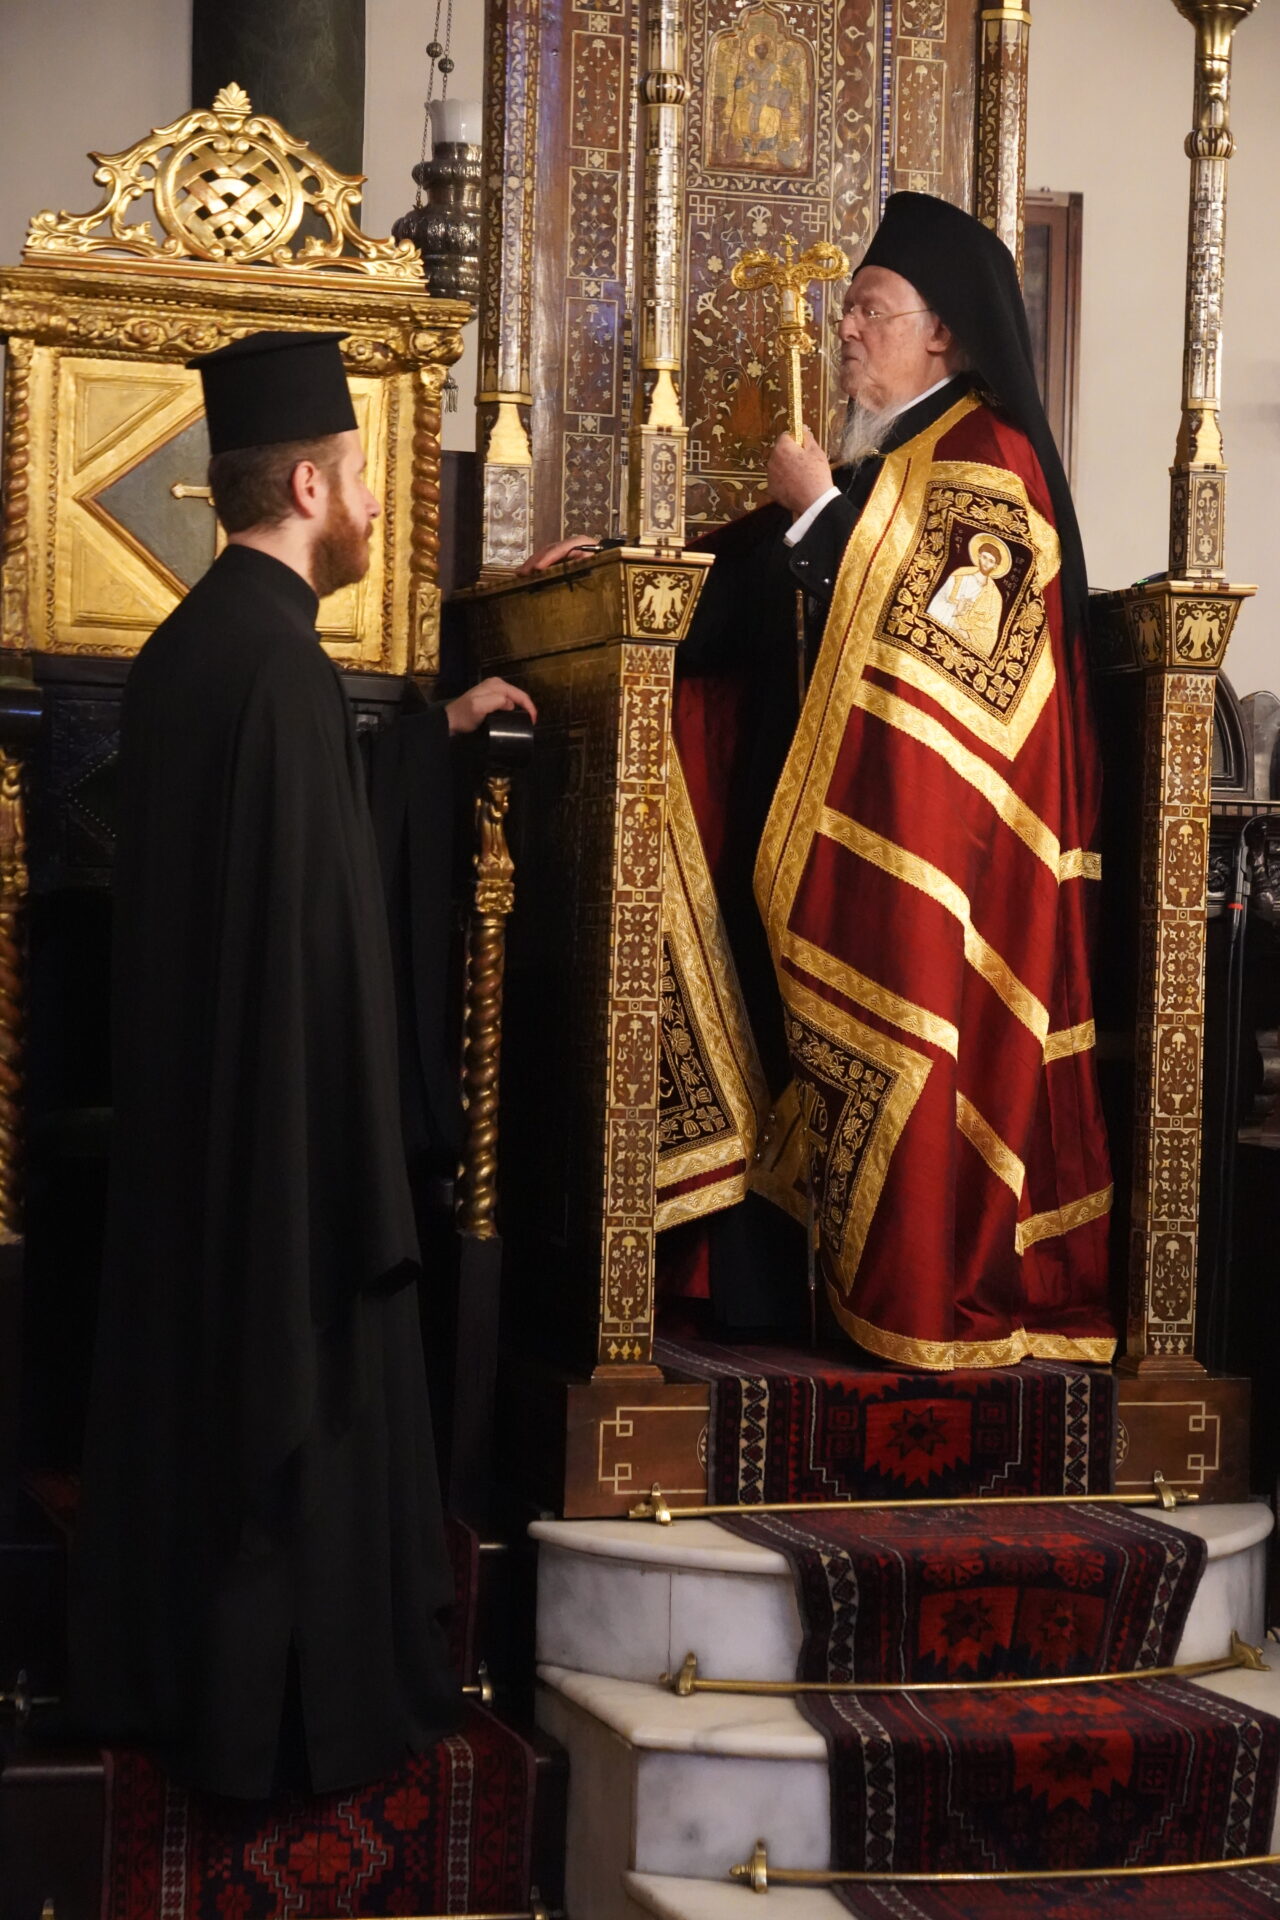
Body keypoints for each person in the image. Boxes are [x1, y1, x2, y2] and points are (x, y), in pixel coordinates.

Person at [528, 193, 1115, 1370]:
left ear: (941, 334)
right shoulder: (880, 458)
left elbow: (946, 642)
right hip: (810, 825)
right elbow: (749, 585)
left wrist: (817, 515)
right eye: (846, 308)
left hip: (923, 857)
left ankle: (905, 1286)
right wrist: (614, 575)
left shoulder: (986, 461)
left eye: (870, 310)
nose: (844, 329)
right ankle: (763, 1296)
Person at [70, 330, 535, 1798]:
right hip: (282, 1163)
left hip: (197, 1151)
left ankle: (173, 1681)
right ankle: (277, 1722)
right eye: (365, 480)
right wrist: (357, 1170)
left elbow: (300, 837)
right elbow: (308, 951)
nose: (380, 507)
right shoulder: (275, 669)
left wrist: (428, 736)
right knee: (293, 1414)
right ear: (313, 485)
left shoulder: (198, 648)